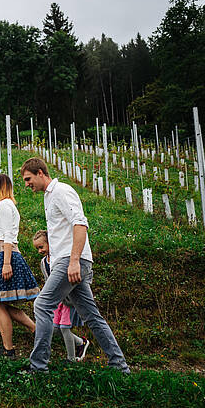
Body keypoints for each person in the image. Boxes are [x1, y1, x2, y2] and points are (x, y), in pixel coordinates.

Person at [21, 158, 130, 374]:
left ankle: (38, 367)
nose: (26, 184)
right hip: (68, 259)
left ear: (41, 173)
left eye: (28, 179)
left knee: (42, 305)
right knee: (91, 315)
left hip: (70, 259)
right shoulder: (49, 196)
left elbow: (80, 224)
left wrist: (73, 261)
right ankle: (120, 365)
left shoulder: (61, 191)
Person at [0, 174, 40, 359]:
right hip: (4, 254)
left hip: (5, 255)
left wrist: (6, 263)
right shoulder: (7, 205)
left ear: (1, 186)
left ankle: (9, 350)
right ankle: (35, 329)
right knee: (1, 303)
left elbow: (8, 235)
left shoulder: (5, 204)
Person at [33, 230, 90, 362]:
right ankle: (81, 342)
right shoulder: (43, 262)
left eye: (41, 247)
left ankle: (71, 359)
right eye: (37, 248)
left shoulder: (60, 259)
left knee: (65, 328)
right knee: (55, 329)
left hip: (68, 300)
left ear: (50, 243)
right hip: (57, 300)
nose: (40, 251)